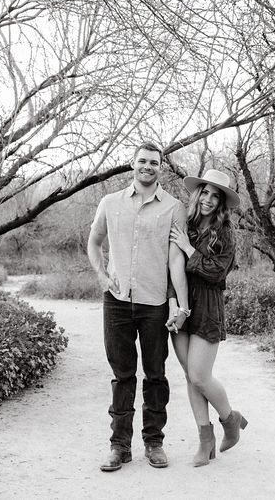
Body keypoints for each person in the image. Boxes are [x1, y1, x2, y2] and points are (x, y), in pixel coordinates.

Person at [87, 142, 191, 472]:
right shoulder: (110, 203)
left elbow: (176, 259)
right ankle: (119, 447)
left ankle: (154, 442)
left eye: (154, 162)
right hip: (116, 303)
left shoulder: (174, 208)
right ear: (132, 164)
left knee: (156, 375)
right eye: (142, 161)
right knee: (122, 375)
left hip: (154, 303)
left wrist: (180, 304)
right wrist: (103, 276)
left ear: (161, 167)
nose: (148, 166)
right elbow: (94, 242)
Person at [168, 168, 248, 467]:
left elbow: (216, 273)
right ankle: (205, 439)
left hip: (208, 306)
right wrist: (174, 303)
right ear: (197, 193)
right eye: (205, 193)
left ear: (222, 202)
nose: (209, 200)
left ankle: (230, 420)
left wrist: (189, 248)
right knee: (190, 376)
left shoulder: (225, 232)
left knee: (200, 375)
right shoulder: (183, 223)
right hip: (181, 305)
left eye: (216, 196)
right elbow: (169, 267)